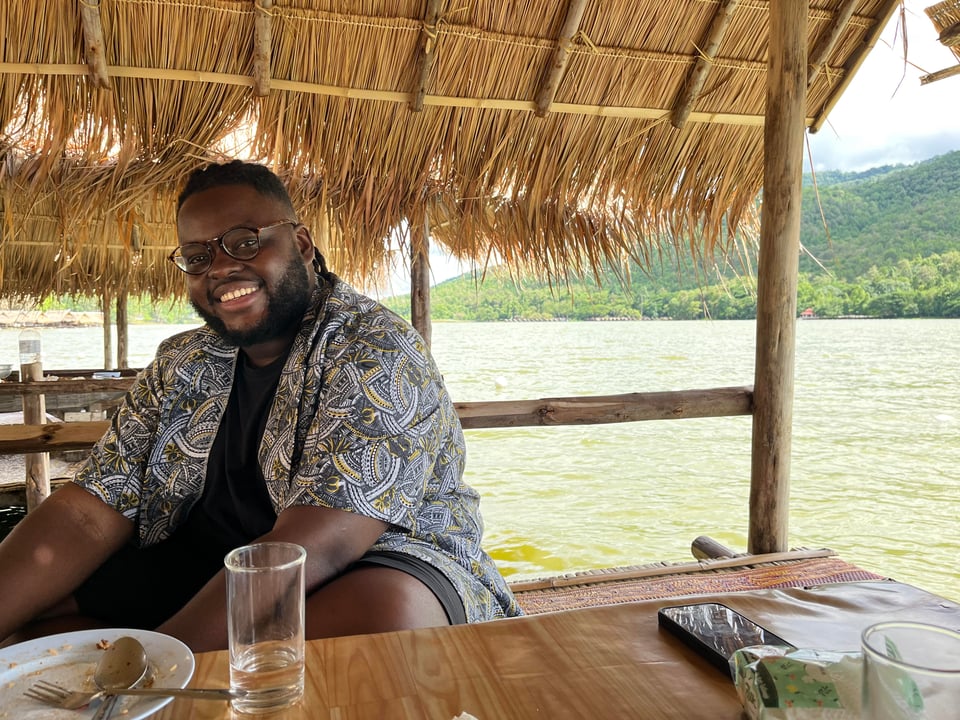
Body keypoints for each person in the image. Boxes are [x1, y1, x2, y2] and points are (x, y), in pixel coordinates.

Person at [0, 160, 522, 651]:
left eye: (245, 242)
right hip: (210, 569)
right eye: (198, 256)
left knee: (385, 617)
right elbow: (87, 515)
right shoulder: (181, 361)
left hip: (376, 563)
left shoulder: (374, 348)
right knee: (33, 619)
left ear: (300, 245)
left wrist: (163, 665)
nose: (222, 267)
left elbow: (322, 544)